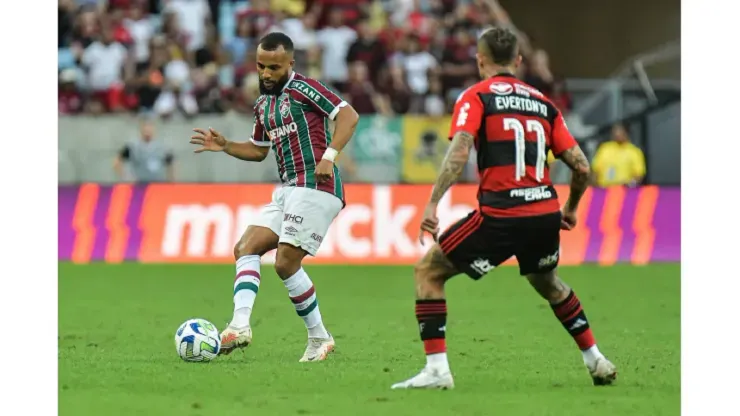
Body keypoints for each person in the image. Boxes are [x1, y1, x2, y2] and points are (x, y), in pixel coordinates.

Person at [391, 28, 617, 389]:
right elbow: (582, 166)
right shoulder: (544, 103)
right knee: (548, 283)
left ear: (480, 59)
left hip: (501, 213)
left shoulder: (476, 96)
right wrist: (571, 208)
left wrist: (433, 203)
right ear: (519, 61)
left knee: (429, 272)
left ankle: (436, 371)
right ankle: (596, 360)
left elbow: (461, 149)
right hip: (544, 211)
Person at [189, 32, 359, 362]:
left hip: (316, 185)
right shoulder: (262, 103)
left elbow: (348, 115)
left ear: (290, 64)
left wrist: (330, 155)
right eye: (261, 66)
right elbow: (257, 151)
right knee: (246, 247)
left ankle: (318, 337)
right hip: (288, 189)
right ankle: (239, 327)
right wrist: (225, 146)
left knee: (285, 263)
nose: (266, 74)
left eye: (274, 67)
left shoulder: (304, 88)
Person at [591, 123, 646, 187]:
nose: (617, 134)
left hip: (625, 191)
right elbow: (595, 170)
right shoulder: (604, 148)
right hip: (604, 190)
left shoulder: (634, 151)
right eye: (615, 131)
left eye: (620, 131)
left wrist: (630, 184)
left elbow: (639, 174)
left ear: (626, 133)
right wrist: (595, 188)